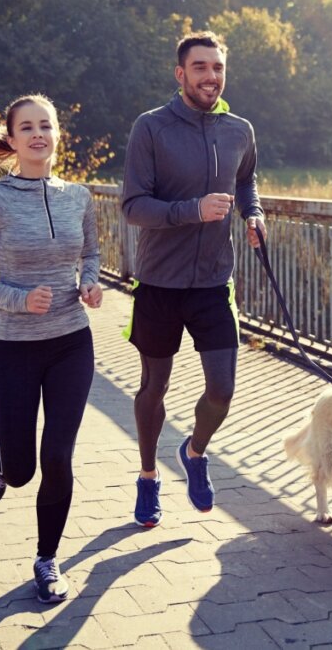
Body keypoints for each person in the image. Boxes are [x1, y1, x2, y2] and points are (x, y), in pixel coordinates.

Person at [0, 94, 103, 603]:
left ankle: (47, 559)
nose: (38, 135)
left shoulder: (79, 196)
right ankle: (2, 461)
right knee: (22, 470)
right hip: (14, 348)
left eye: (46, 126)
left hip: (72, 344)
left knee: (57, 457)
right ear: (10, 140)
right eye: (27, 127)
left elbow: (92, 253)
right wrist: (18, 299)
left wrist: (92, 284)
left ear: (57, 135)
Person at [120, 31, 267, 528]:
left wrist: (252, 213)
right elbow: (133, 207)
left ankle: (194, 451)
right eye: (200, 67)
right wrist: (194, 210)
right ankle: (147, 477)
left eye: (218, 68)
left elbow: (245, 179)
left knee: (222, 390)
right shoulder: (151, 129)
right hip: (159, 283)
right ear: (180, 74)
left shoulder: (239, 129)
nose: (211, 76)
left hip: (213, 283)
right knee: (153, 387)